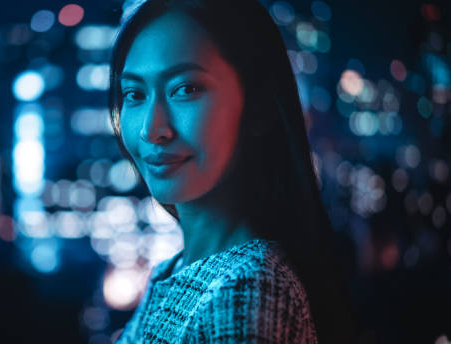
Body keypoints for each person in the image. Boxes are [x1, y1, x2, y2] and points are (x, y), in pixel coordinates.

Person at [108, 0, 356, 342]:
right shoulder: (173, 273)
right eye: (134, 94)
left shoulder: (246, 288)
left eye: (186, 89)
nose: (151, 129)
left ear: (257, 106)